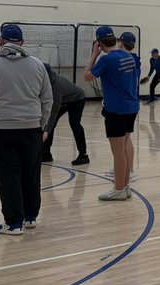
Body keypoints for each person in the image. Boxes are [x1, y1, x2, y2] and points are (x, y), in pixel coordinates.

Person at [0, 24, 52, 234]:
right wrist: (42, 124)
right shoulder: (37, 65)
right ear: (22, 42)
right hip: (32, 128)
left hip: (1, 130)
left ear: (1, 41)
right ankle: (30, 216)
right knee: (31, 173)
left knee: (8, 176)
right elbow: (47, 98)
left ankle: (13, 223)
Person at [84, 25, 140, 201]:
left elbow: (87, 76)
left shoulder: (106, 60)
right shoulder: (129, 57)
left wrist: (94, 55)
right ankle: (126, 186)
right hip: (132, 108)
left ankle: (119, 189)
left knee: (118, 152)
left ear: (100, 43)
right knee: (124, 147)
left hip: (116, 109)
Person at [42, 64, 89, 166]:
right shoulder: (45, 82)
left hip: (77, 99)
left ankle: (83, 155)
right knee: (50, 125)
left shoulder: (56, 85)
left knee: (75, 124)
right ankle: (46, 154)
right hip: (64, 99)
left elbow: (53, 111)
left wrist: (46, 131)